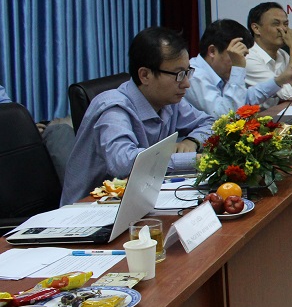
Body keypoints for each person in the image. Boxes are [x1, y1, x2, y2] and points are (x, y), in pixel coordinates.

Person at [60, 27, 212, 204]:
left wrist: (191, 141)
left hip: (137, 198)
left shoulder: (168, 101)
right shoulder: (113, 108)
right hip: (89, 208)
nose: (186, 83)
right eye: (178, 75)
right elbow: (124, 163)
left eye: (187, 72)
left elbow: (210, 123)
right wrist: (191, 160)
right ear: (145, 75)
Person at [185, 18, 292, 117]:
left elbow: (244, 99)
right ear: (212, 51)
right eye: (234, 56)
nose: (241, 61)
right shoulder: (194, 76)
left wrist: (279, 81)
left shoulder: (217, 72)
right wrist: (237, 68)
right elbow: (227, 115)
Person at [244, 2, 292, 105]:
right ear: (256, 29)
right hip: (259, 115)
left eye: (285, 24)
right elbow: (291, 96)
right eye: (276, 24)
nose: (283, 29)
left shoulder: (282, 54)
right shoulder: (249, 58)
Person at [0, 85, 75, 182]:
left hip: (15, 132)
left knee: (61, 131)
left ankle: (82, 186)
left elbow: (9, 110)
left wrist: (27, 127)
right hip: (9, 141)